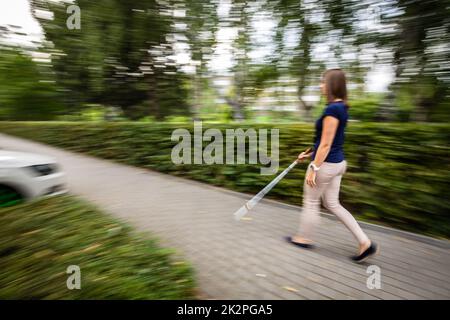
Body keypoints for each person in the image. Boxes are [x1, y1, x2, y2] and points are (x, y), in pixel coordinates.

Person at [287, 68, 378, 263]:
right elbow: (328, 141)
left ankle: (303, 238)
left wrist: (313, 167)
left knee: (311, 202)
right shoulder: (342, 108)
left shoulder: (331, 110)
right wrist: (310, 153)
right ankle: (365, 242)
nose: (320, 85)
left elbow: (327, 144)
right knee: (333, 204)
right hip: (338, 163)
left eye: (322, 82)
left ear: (331, 85)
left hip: (326, 165)